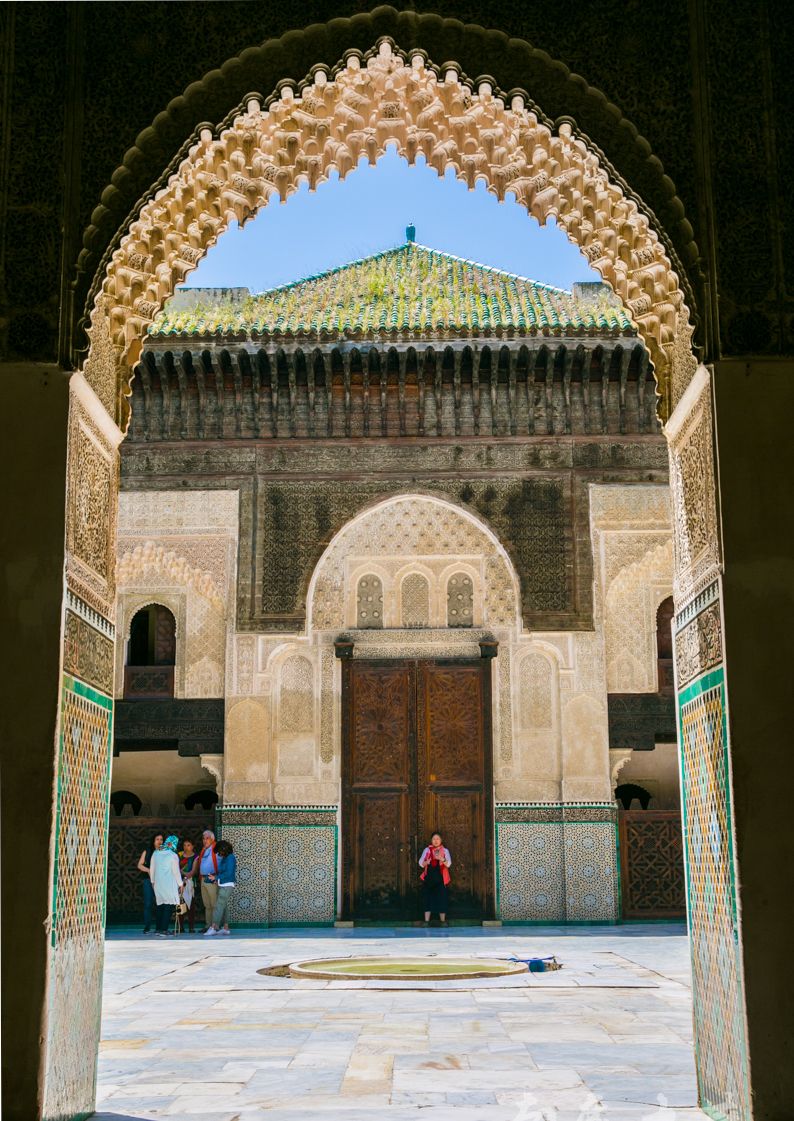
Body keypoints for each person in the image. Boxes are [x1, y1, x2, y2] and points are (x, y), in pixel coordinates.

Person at [149, 834, 183, 937]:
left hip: (158, 884)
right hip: (169, 884)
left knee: (160, 906)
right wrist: (181, 884)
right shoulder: (173, 855)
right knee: (168, 906)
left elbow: (152, 869)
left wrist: (152, 881)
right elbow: (176, 872)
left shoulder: (156, 853)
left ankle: (158, 929)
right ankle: (164, 930)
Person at [418, 832, 451, 926]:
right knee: (427, 898)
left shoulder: (445, 851)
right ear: (431, 841)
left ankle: (443, 921)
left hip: (441, 879)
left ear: (441, 840)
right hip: (429, 878)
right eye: (434, 839)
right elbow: (420, 863)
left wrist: (442, 859)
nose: (436, 841)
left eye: (437, 839)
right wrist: (426, 862)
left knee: (442, 899)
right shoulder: (427, 850)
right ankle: (426, 921)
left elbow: (448, 864)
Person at [205, 839, 237, 937]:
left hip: (227, 885)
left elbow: (229, 873)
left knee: (219, 906)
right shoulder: (226, 858)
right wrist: (215, 878)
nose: (219, 854)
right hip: (223, 884)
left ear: (224, 849)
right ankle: (226, 928)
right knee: (224, 906)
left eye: (219, 852)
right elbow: (223, 872)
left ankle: (214, 927)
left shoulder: (230, 858)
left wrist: (216, 877)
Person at [136, 831, 163, 934]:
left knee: (159, 903)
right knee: (148, 903)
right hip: (148, 881)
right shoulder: (147, 851)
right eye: (157, 839)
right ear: (153, 841)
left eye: (161, 840)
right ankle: (147, 926)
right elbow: (139, 865)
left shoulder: (164, 852)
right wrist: (148, 870)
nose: (159, 841)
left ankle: (159, 926)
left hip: (160, 881)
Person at [194, 829, 219, 932]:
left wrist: (217, 878)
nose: (205, 840)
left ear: (212, 839)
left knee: (214, 904)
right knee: (207, 905)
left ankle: (215, 926)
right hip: (203, 879)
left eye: (207, 838)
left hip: (211, 879)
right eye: (203, 838)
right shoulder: (204, 849)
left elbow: (221, 863)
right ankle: (208, 926)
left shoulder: (216, 849)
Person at [177, 838, 198, 933]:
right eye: (185, 845)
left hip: (190, 883)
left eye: (188, 845)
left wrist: (181, 871)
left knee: (191, 906)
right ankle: (180, 926)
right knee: (180, 905)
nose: (186, 847)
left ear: (193, 846)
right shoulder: (179, 855)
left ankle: (191, 927)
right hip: (179, 883)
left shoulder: (196, 857)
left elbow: (192, 872)